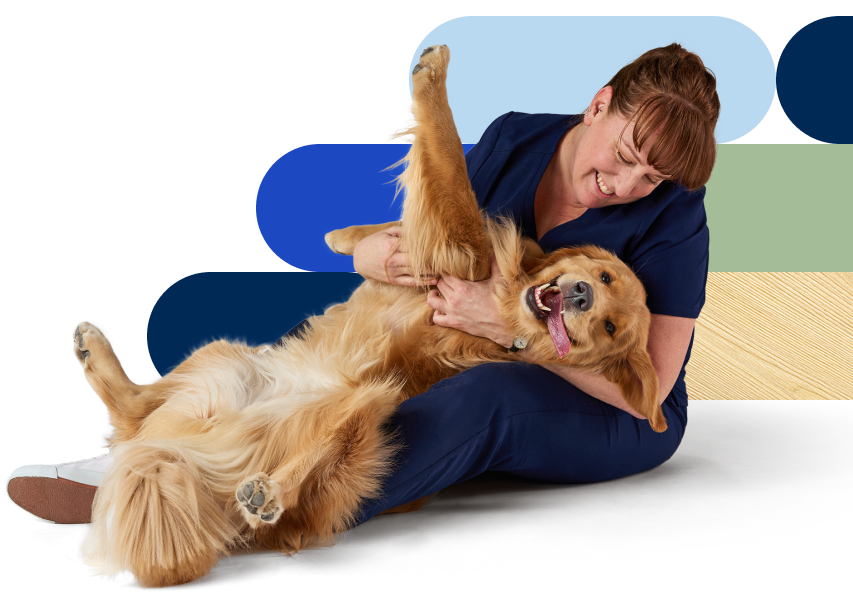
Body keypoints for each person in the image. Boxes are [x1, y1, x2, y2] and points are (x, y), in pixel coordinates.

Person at [5, 43, 718, 530]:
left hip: (607, 405)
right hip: (464, 342)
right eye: (625, 156)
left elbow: (645, 385)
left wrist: (505, 328)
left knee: (485, 401)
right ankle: (143, 447)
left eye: (649, 179)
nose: (626, 186)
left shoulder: (676, 218)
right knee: (328, 359)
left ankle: (210, 504)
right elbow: (441, 237)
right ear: (598, 103)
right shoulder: (516, 137)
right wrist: (373, 254)